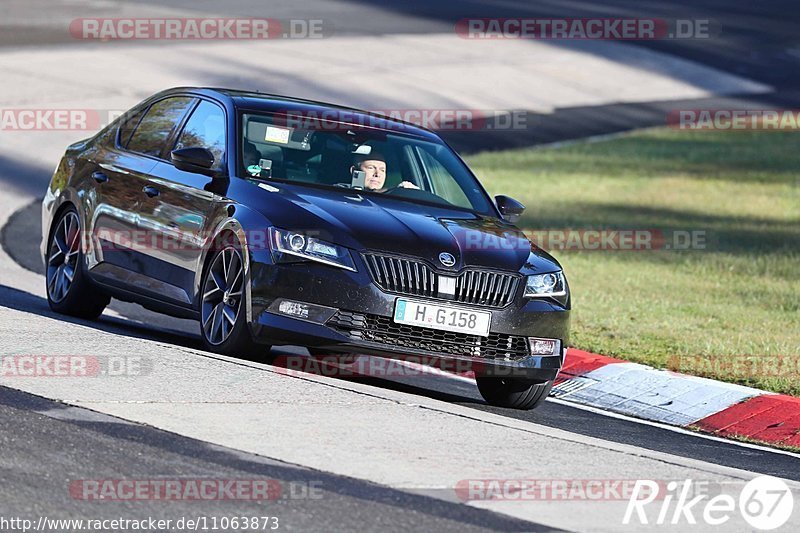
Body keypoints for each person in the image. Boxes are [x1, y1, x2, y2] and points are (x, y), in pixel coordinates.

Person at [352, 152, 418, 192]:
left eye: (382, 170)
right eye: (371, 168)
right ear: (354, 170)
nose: (377, 174)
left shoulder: (393, 202)